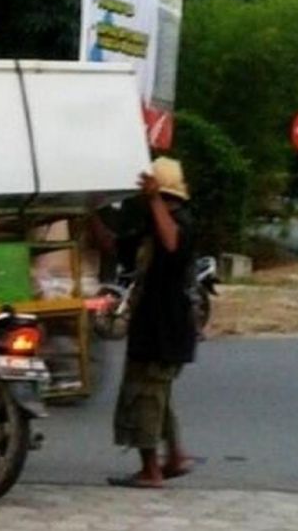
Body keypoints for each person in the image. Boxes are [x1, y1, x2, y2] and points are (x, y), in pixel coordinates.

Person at [108, 156, 198, 489]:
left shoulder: (181, 222)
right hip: (154, 326)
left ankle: (151, 471)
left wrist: (154, 198)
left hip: (166, 326)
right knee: (158, 396)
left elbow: (172, 243)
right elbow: (117, 247)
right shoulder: (151, 222)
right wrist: (89, 215)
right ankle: (175, 456)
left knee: (145, 396)